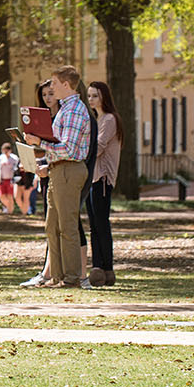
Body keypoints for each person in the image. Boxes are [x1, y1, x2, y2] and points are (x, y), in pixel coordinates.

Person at [25, 65, 93, 289]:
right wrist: (43, 161)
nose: (51, 88)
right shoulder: (65, 109)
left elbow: (68, 149)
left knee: (67, 225)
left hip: (69, 170)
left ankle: (72, 278)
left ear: (66, 85)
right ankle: (57, 276)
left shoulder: (74, 111)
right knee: (52, 225)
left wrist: (39, 143)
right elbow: (57, 147)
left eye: (54, 83)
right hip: (57, 169)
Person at [86, 81, 121, 287]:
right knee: (94, 225)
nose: (91, 99)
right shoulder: (97, 119)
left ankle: (106, 268)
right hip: (93, 177)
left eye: (95, 96)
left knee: (101, 224)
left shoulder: (109, 119)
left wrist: (79, 152)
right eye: (89, 96)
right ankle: (98, 267)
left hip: (103, 178)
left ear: (104, 97)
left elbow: (98, 148)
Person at [0, 144, 20, 214]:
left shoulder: (15, 158)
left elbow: (17, 169)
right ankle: (9, 207)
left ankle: (10, 212)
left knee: (10, 196)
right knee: (1, 196)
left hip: (10, 180)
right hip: (2, 180)